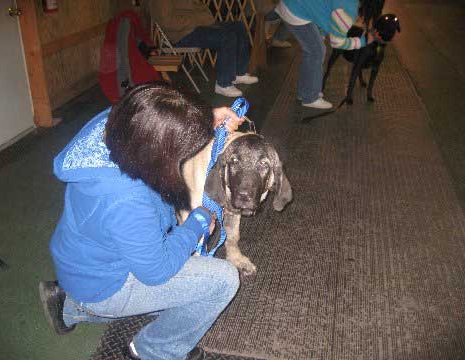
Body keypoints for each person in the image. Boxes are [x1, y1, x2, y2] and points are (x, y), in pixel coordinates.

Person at [39, 82, 246, 360]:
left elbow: (152, 116)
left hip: (82, 260)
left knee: (177, 295)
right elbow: (156, 270)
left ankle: (72, 304)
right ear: (159, 153)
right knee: (222, 280)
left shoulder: (113, 126)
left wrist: (206, 117)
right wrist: (197, 222)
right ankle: (153, 350)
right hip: (107, 282)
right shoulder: (127, 200)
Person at [148, 0, 258, 98]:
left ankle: (239, 73)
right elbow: (168, 22)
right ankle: (223, 84)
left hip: (197, 26)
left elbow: (201, 8)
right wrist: (198, 21)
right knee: (226, 36)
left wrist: (203, 19)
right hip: (181, 34)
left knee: (238, 26)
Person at [276, 0, 373, 109]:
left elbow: (323, 13)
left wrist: (320, 35)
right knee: (317, 53)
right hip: (295, 10)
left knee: (313, 52)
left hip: (292, 4)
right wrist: (362, 41)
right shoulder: (347, 9)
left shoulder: (347, 5)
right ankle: (310, 98)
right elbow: (337, 43)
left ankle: (304, 92)